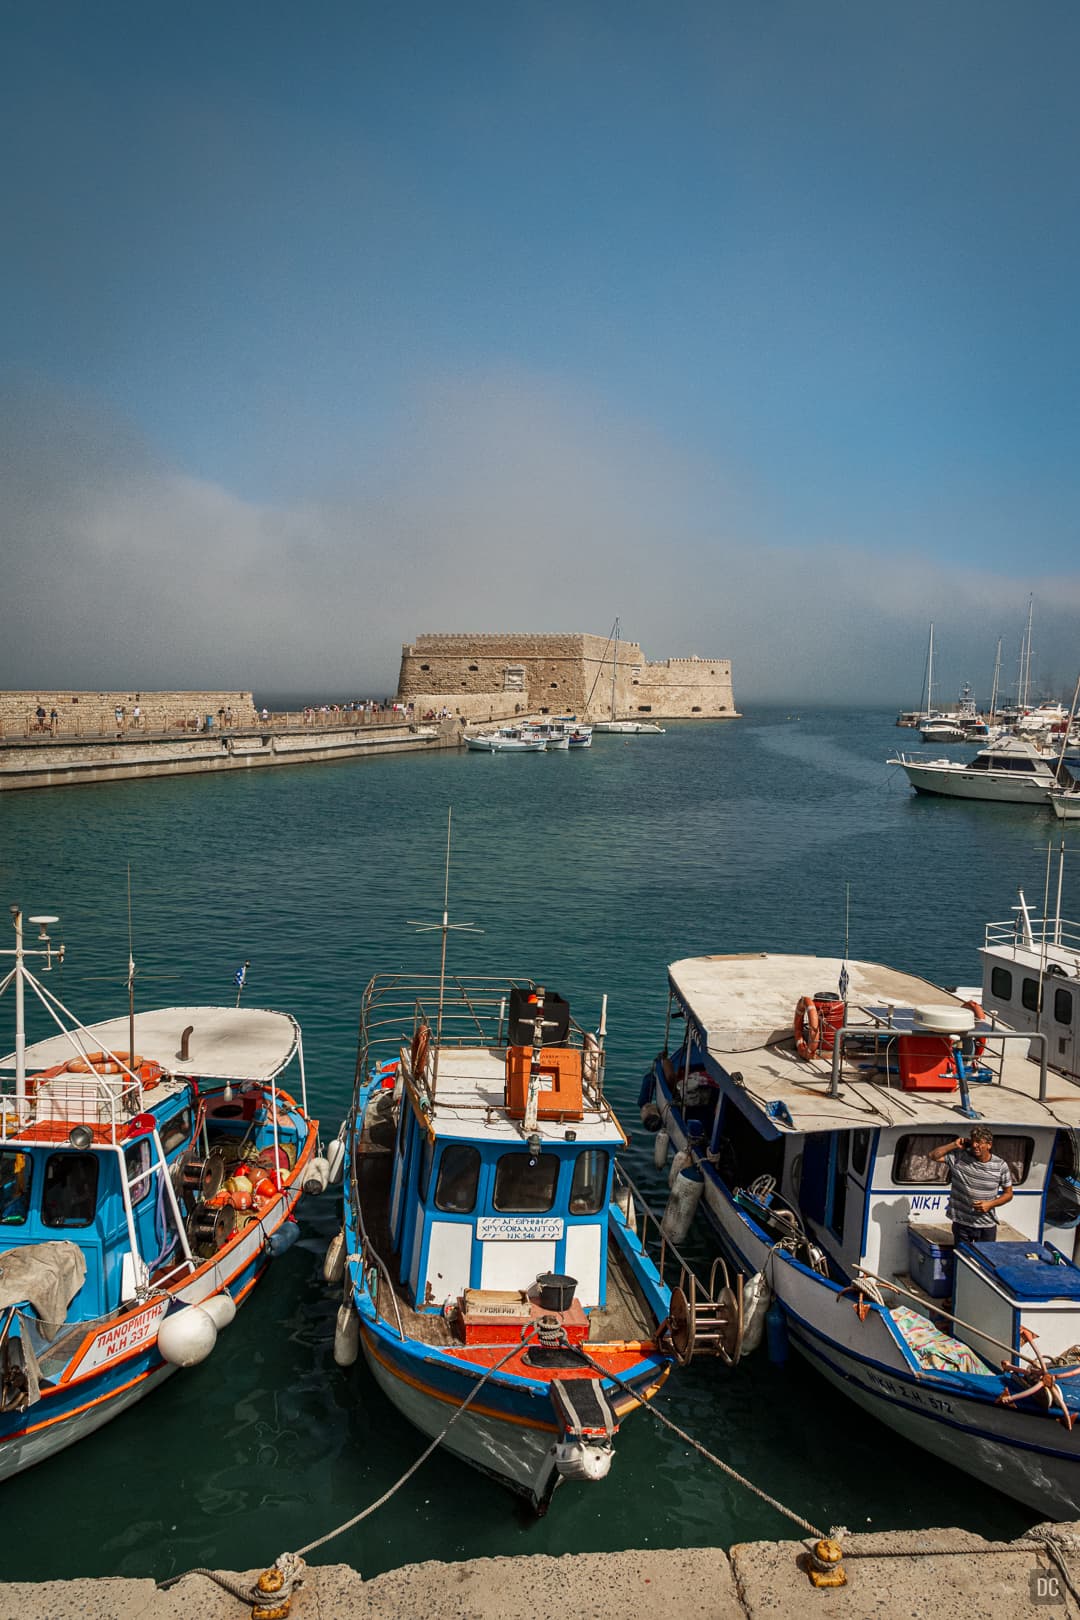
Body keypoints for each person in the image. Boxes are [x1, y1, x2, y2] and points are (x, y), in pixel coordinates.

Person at [930, 1126, 1013, 1247]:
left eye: (979, 1142)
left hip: (986, 1225)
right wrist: (954, 1144)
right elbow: (933, 1155)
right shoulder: (959, 1157)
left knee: (984, 1261)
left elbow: (1008, 1194)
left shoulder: (1000, 1166)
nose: (975, 1145)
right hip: (961, 1223)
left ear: (989, 1145)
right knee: (962, 1260)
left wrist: (990, 1204)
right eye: (973, 1141)